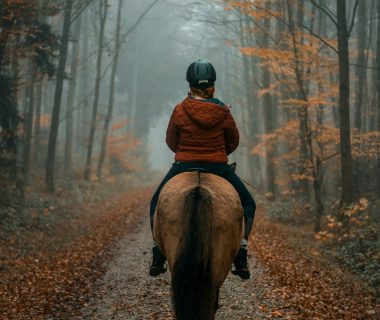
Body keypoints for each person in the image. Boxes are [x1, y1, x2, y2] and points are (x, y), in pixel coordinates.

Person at [149, 59, 256, 280]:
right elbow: (233, 141)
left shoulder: (179, 110)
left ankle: (158, 254)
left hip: (183, 165)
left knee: (155, 202)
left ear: (190, 84)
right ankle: (241, 253)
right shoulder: (224, 111)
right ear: (212, 85)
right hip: (218, 166)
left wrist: (186, 150)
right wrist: (218, 153)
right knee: (248, 203)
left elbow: (171, 141)